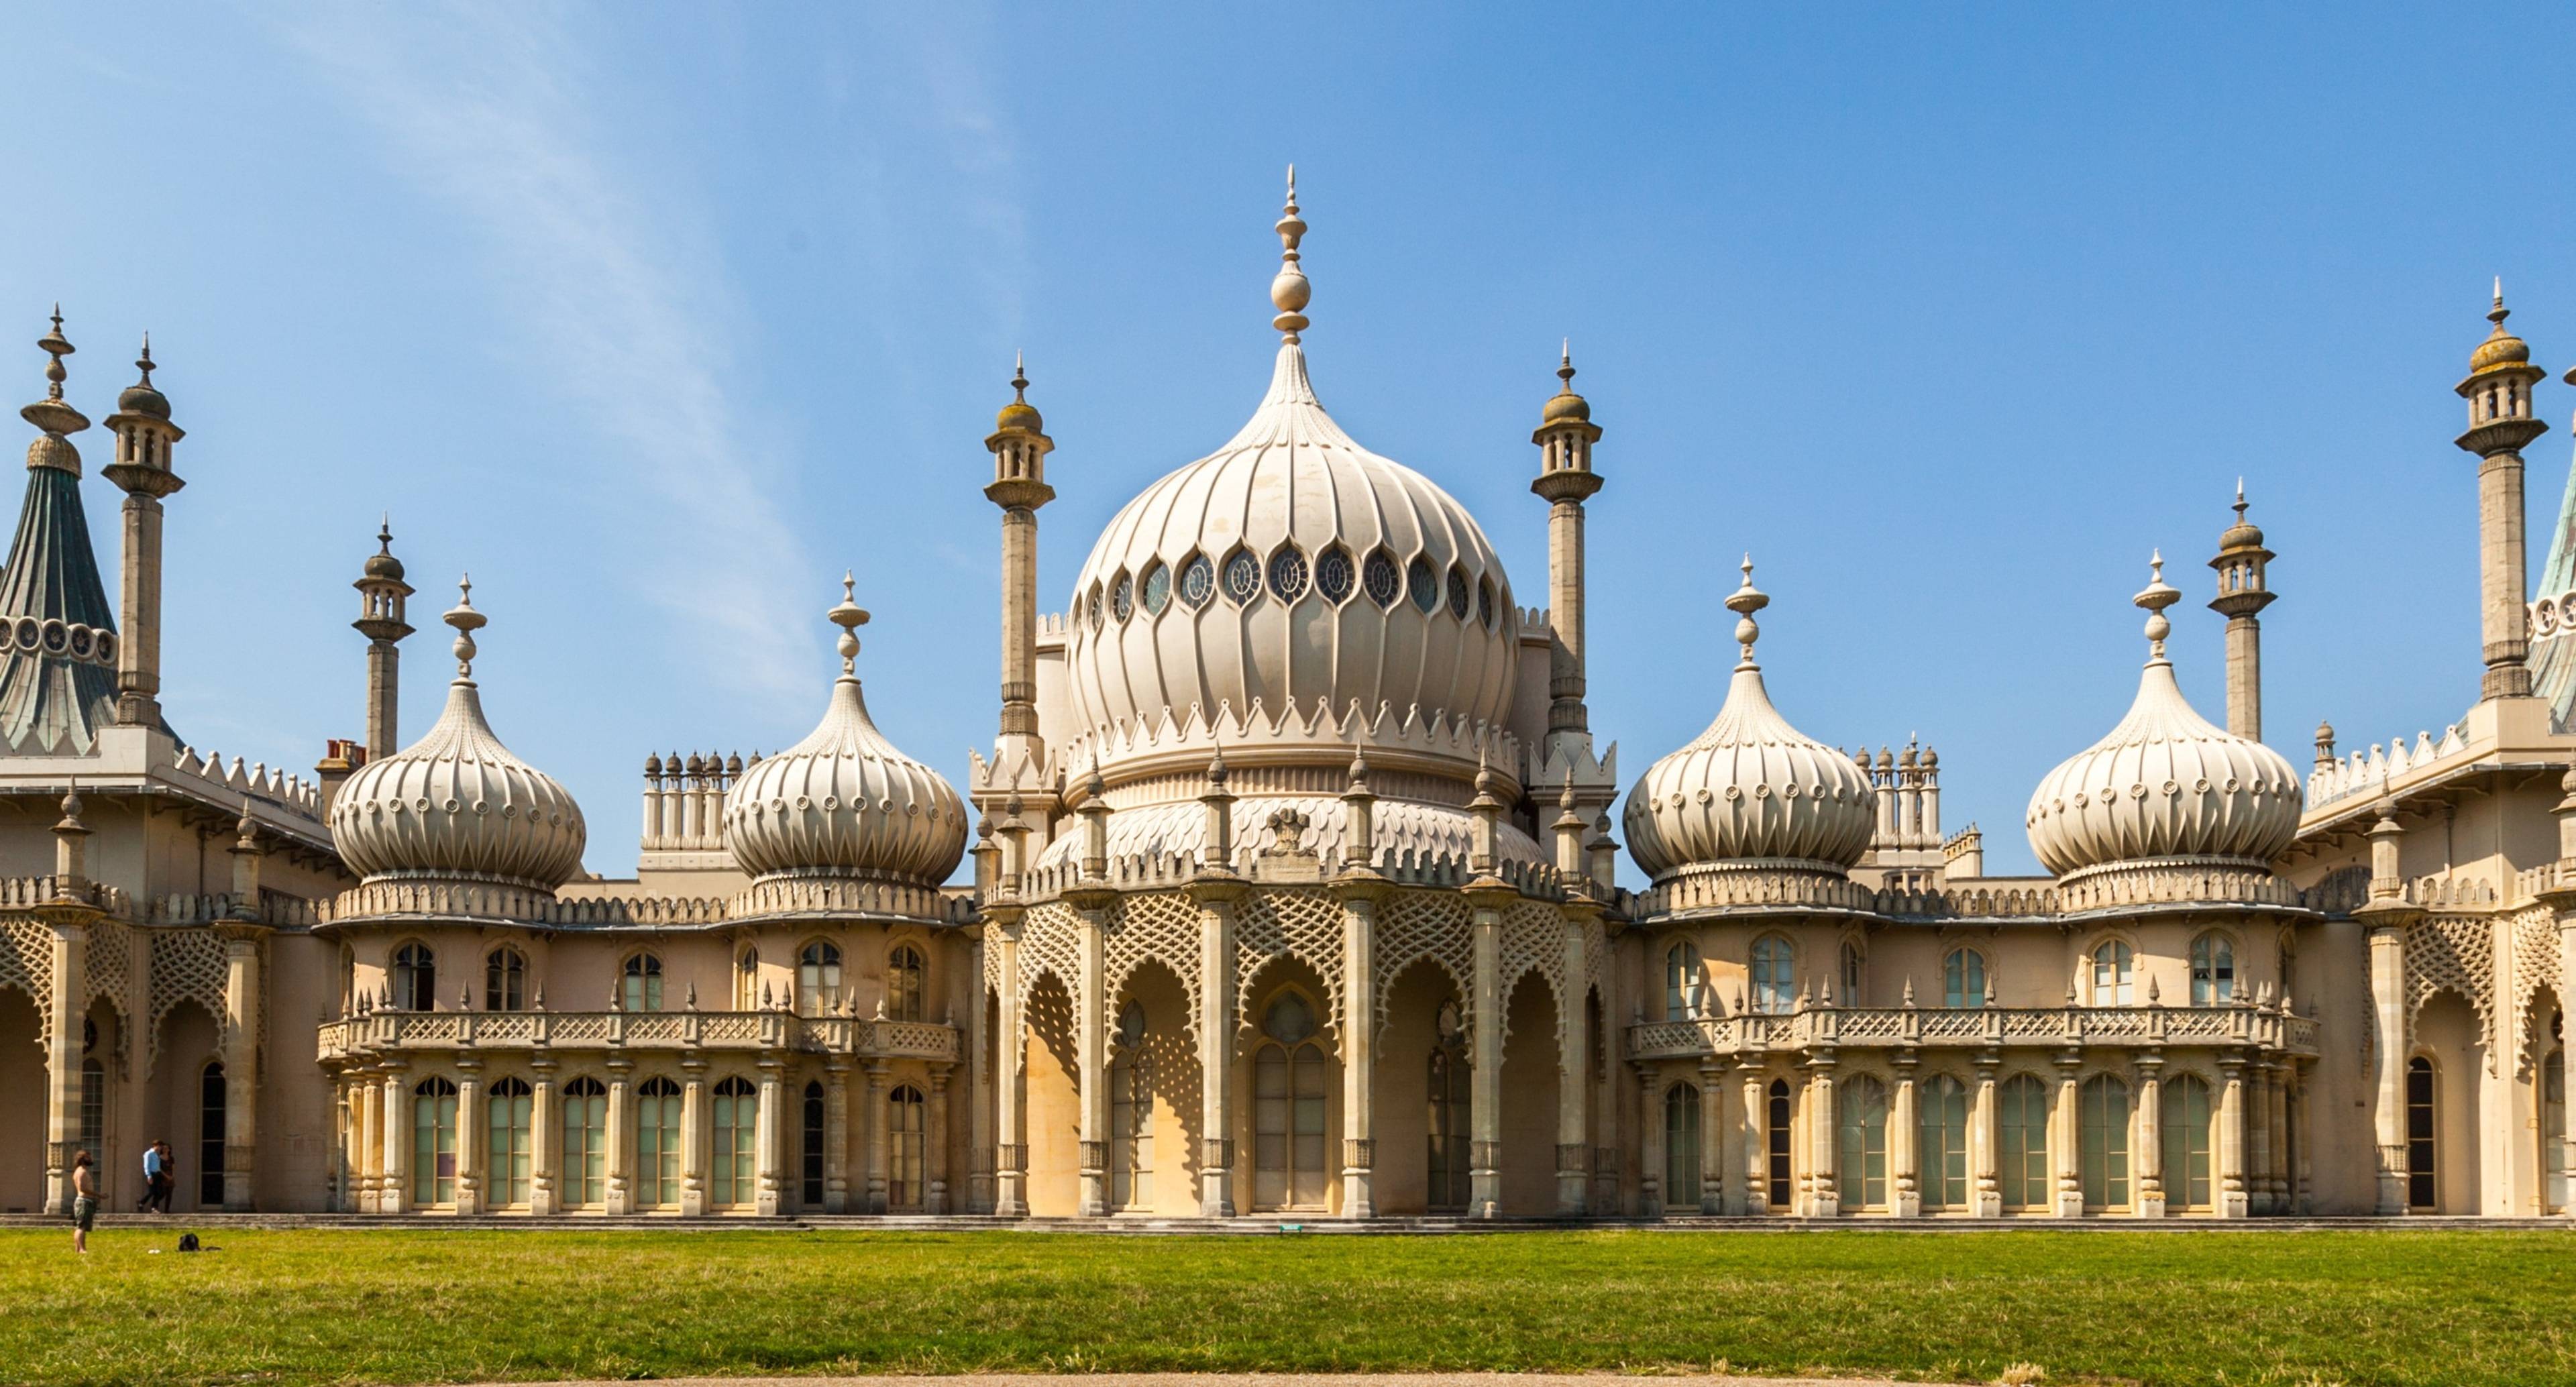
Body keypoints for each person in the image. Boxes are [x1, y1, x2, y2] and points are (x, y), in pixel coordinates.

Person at [71, 1150, 97, 1253]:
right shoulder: (81, 1171)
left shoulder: (83, 1171)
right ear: (82, 1159)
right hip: (83, 1201)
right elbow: (82, 1188)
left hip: (87, 1201)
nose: (91, 1159)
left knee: (82, 1226)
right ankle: (82, 1249)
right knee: (81, 1226)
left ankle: (78, 1249)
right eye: (88, 1157)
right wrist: (98, 1195)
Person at [144, 1141, 173, 1215]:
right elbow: (146, 1165)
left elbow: (158, 1168)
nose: (161, 1149)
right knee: (154, 1192)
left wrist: (171, 1176)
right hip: (153, 1174)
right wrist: (149, 1176)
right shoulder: (149, 1154)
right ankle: (151, 1206)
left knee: (161, 1193)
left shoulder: (156, 1155)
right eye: (161, 1147)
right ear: (156, 1146)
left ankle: (150, 1205)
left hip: (158, 1175)